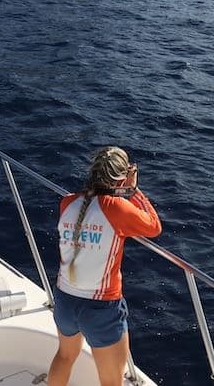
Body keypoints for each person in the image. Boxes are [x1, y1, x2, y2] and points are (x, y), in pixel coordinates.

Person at [48, 146, 162, 386]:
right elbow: (154, 227)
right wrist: (134, 190)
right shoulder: (117, 208)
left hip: (65, 299)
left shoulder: (67, 202)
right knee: (111, 381)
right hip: (101, 308)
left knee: (65, 356)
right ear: (122, 177)